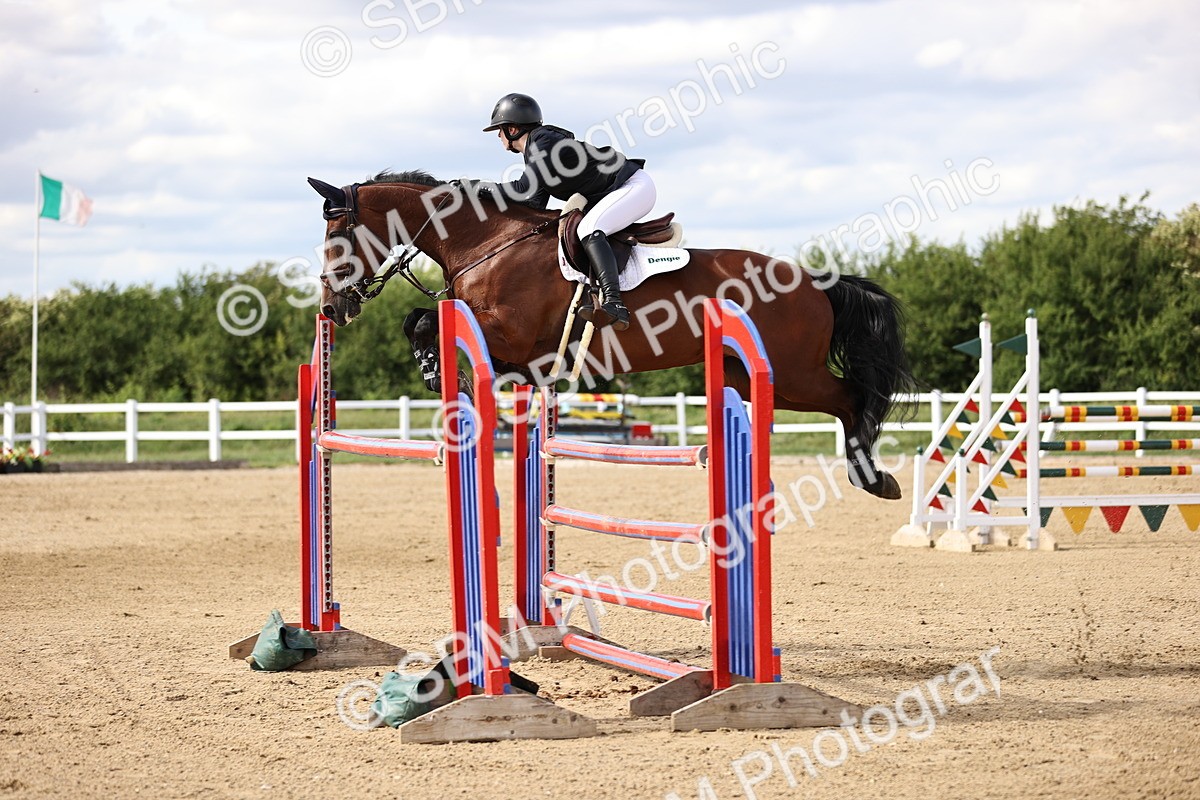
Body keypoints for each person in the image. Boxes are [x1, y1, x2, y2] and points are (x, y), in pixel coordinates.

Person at [483, 92, 656, 331]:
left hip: (634, 187)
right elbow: (534, 205)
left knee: (589, 228)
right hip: (621, 190)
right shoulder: (537, 149)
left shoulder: (543, 142)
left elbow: (522, 188)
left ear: (512, 129)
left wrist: (476, 188)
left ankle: (615, 304)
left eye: (500, 130)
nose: (499, 136)